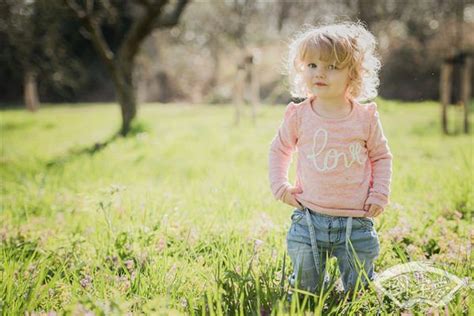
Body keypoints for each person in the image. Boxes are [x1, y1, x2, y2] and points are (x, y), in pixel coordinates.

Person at [268, 22, 393, 300]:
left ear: (354, 74)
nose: (320, 73)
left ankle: (354, 290)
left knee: (359, 291)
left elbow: (381, 156)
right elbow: (279, 150)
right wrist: (280, 186)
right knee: (305, 291)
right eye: (312, 65)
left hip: (356, 221)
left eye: (332, 66)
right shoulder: (299, 116)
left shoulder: (365, 118)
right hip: (309, 219)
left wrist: (379, 192)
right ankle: (312, 291)